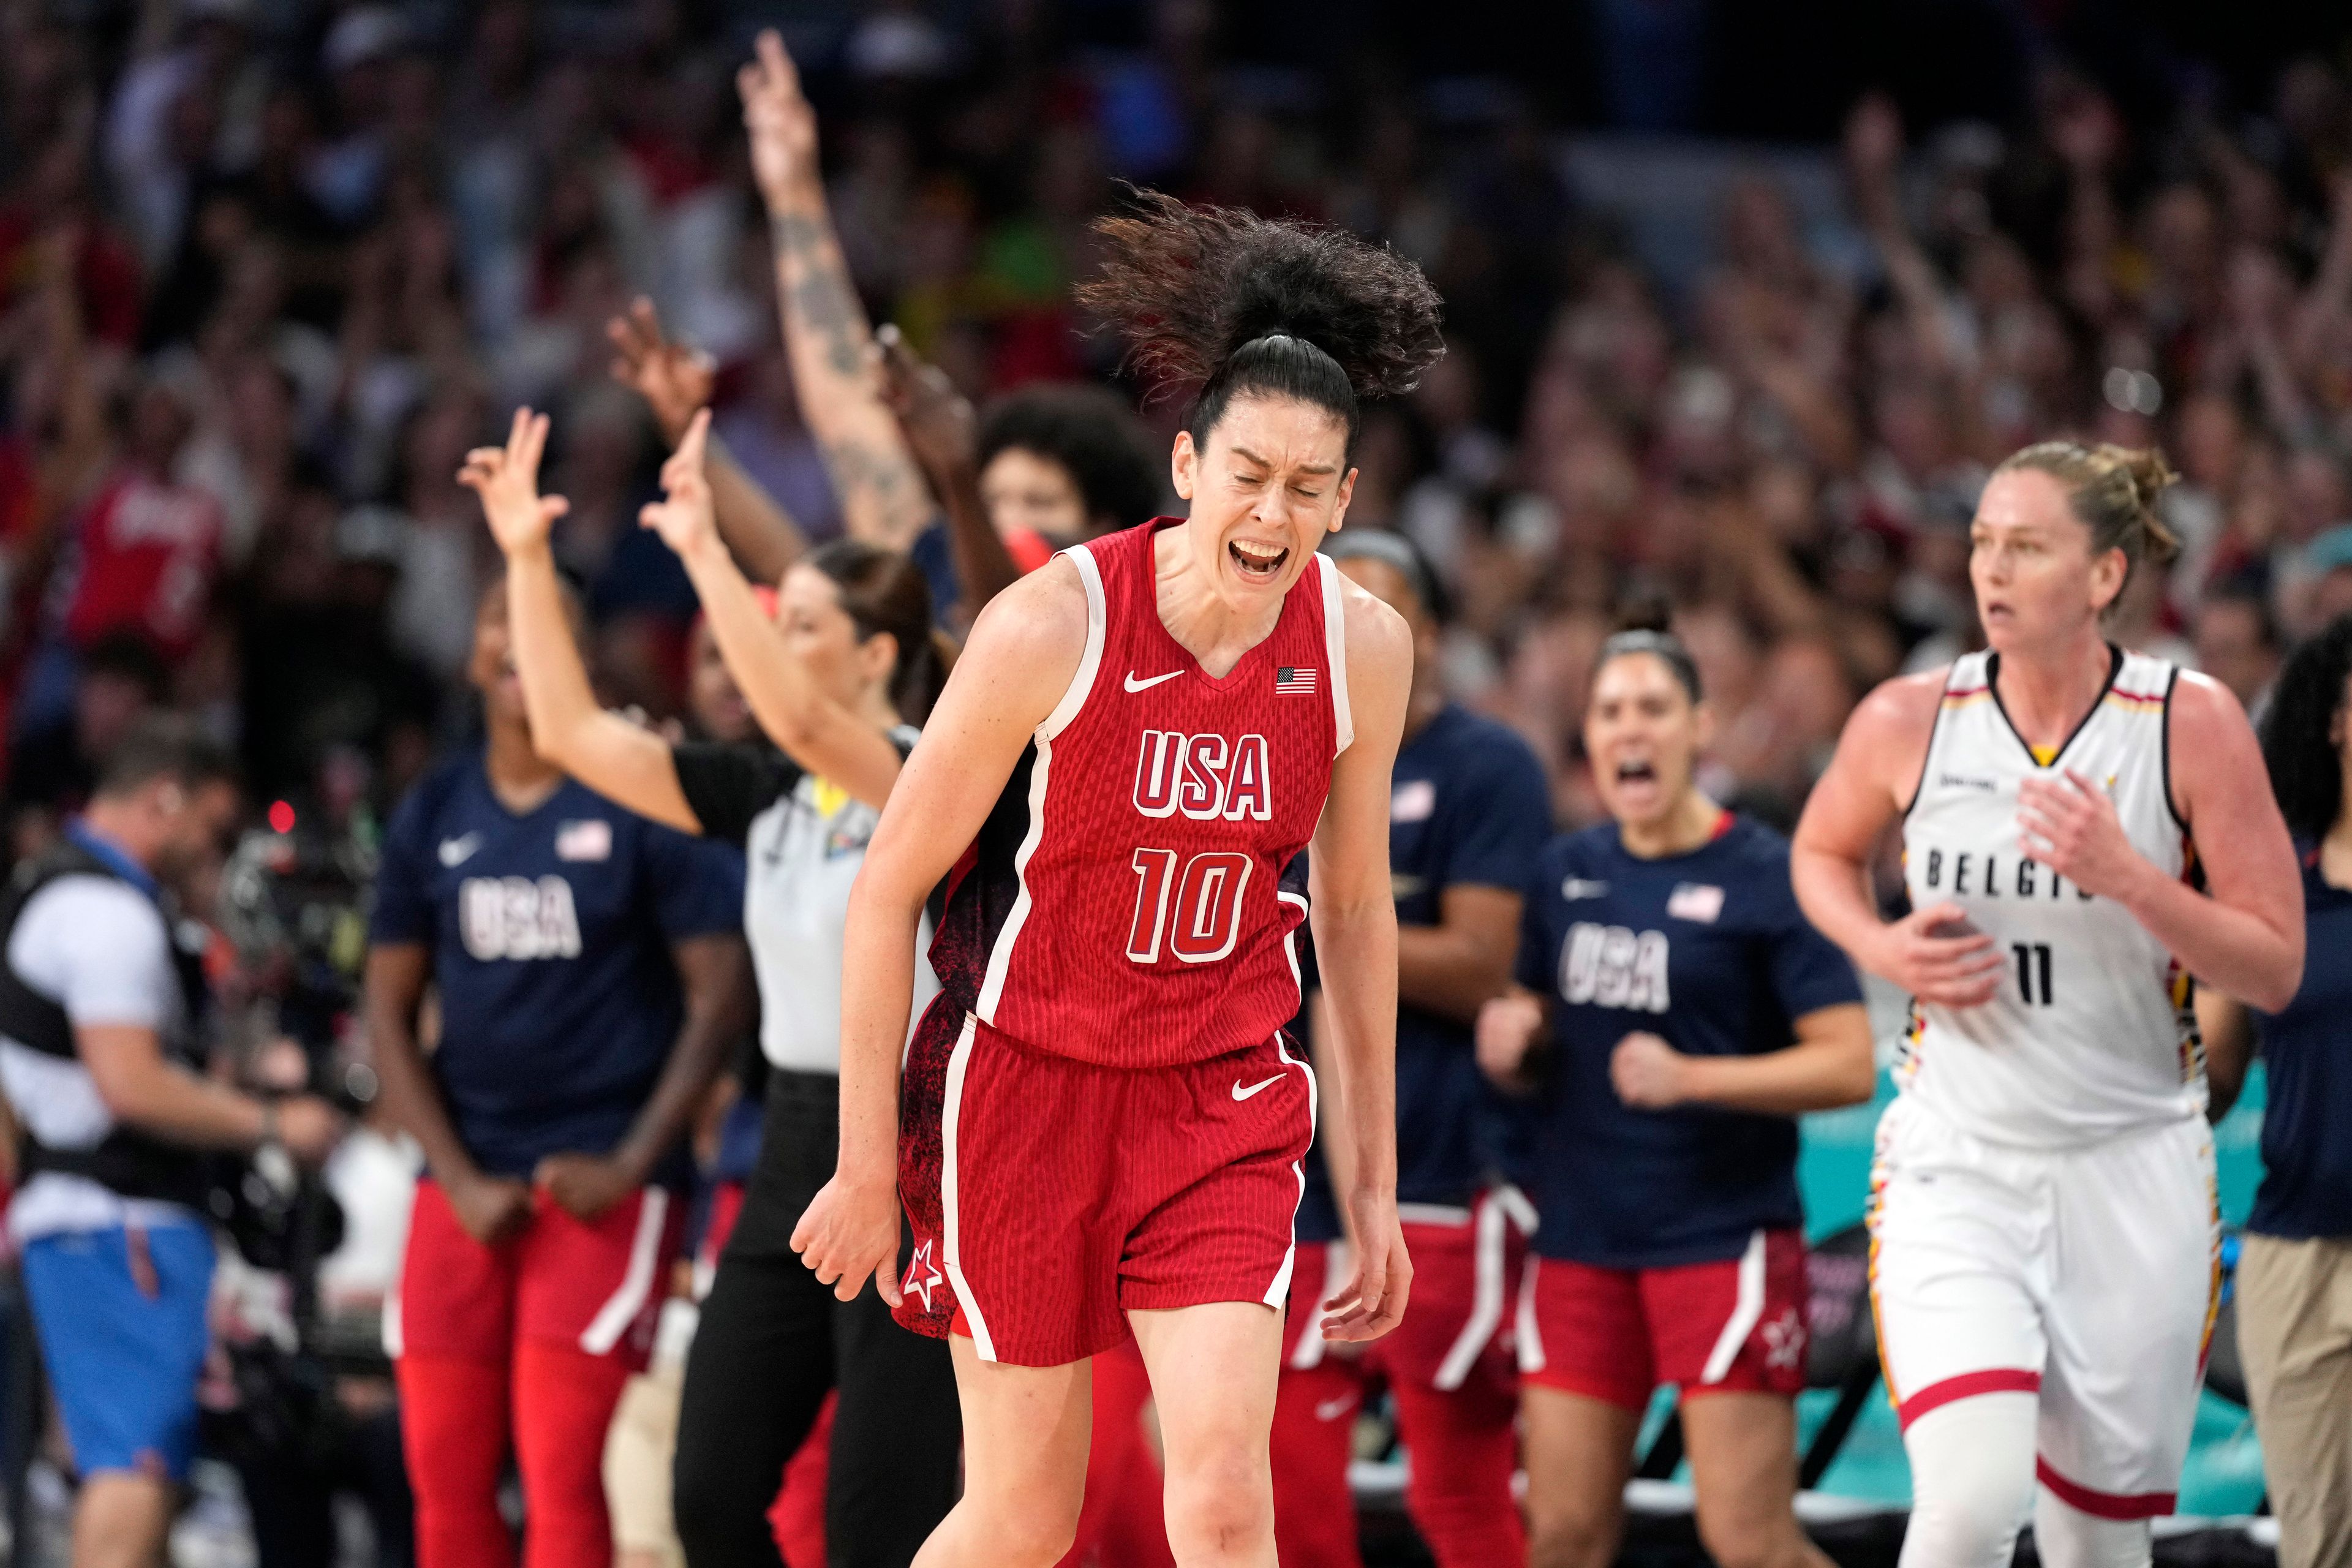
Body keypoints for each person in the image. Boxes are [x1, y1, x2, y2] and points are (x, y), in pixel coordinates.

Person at [789, 188, 1444, 1566]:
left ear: (1346, 497)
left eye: (1308, 486)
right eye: (1250, 475)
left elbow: (1355, 910)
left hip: (1220, 1097)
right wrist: (863, 1164)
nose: (1274, 513)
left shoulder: (1362, 646)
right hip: (1022, 1086)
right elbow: (887, 883)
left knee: (1217, 1497)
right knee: (1023, 1519)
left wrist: (1372, 1183)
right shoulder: (1051, 625)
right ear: (1191, 465)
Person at [1789, 442, 2304, 1568]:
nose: (1992, 568)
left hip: (2134, 1168)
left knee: (2096, 1549)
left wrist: (2131, 879)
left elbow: (2274, 966)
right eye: (1982, 542)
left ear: (2106, 575)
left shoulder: (2193, 721)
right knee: (1968, 1506)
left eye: (2026, 546)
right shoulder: (1911, 716)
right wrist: (1881, 943)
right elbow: (1821, 853)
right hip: (1957, 1157)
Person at [466, 407, 962, 1567]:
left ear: (876, 656)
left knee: (875, 1527)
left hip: (920, 1147)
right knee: (707, 1493)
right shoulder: (768, 788)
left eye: (798, 626)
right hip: (793, 1138)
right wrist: (530, 558)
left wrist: (702, 550)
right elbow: (578, 733)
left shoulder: (929, 772)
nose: (769, 650)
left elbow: (793, 709)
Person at [363, 560, 754, 1568]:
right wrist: (450, 1174)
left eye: (539, 619)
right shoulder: (436, 804)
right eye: (495, 618)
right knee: (443, 1482)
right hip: (463, 1177)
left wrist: (630, 1164)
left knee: (563, 1478)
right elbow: (387, 1008)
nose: (513, 639)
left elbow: (720, 996)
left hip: (600, 1186)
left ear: (578, 655)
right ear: (471, 654)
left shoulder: (638, 793)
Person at [1476, 611, 1874, 1568]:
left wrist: (1696, 1077)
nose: (1630, 729)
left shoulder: (1769, 876)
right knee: (1563, 1536)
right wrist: (1515, 1041)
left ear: (1702, 727)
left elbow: (1850, 1063)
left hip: (1721, 1239)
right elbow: (1537, 1031)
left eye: (1653, 706)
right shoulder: (1565, 872)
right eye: (1610, 711)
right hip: (1579, 1241)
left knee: (1749, 1541)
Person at [1267, 529, 1551, 1568]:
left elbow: (1483, 960)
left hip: (1437, 1184)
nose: (1346, 637)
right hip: (1278, 1186)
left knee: (1460, 1499)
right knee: (1279, 1495)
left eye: (1377, 612)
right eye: (1326, 614)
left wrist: (1310, 916)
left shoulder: (1489, 764)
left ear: (1425, 635)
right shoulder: (1266, 747)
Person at [0, 715, 345, 1568]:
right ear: (165, 798)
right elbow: (130, 1081)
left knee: (133, 1472)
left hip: (89, 1222)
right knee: (135, 1477)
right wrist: (273, 1123)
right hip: (119, 1225)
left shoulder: (57, 889)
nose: (213, 854)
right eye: (213, 829)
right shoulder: (102, 911)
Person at [2199, 612, 2352, 1568]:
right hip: (2294, 1254)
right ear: (2336, 718)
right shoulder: (2269, 885)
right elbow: (2208, 1074)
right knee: (2318, 1550)